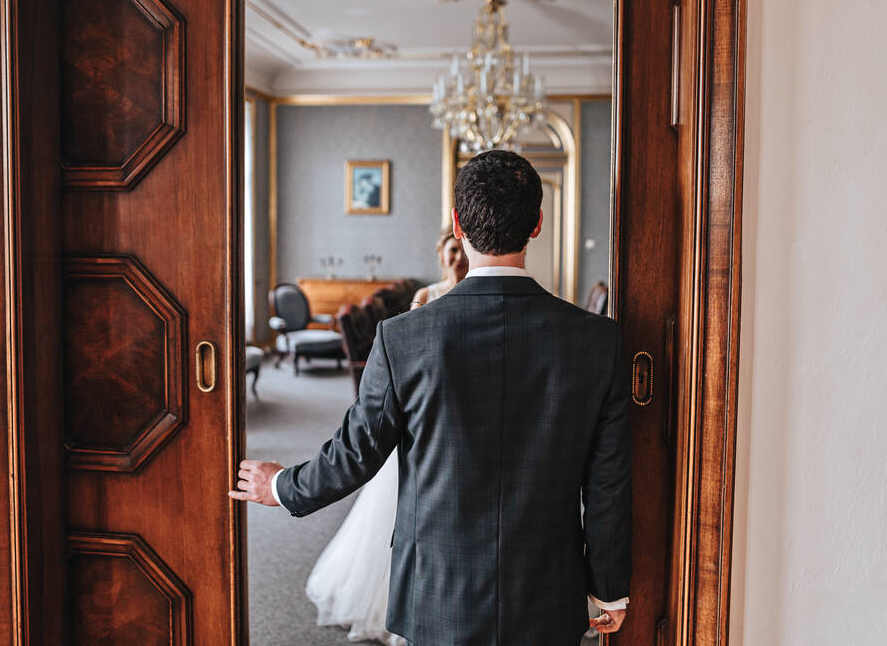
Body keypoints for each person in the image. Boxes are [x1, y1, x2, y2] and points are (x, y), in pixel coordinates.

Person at [231, 150, 632, 646]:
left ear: (458, 225)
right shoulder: (598, 341)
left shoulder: (403, 337)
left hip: (438, 588)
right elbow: (608, 483)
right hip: (547, 587)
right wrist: (609, 589)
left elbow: (356, 453)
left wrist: (281, 486)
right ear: (537, 225)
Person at [303, 224, 468, 646]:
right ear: (441, 254)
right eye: (450, 250)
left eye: (461, 249)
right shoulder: (425, 296)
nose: (456, 257)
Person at [410, 225, 469, 309]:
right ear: (442, 254)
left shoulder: (479, 293)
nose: (459, 257)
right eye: (454, 250)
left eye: (464, 251)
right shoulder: (424, 295)